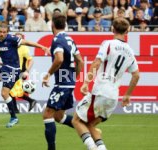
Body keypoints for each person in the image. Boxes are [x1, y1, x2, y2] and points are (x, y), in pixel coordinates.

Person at [72, 18, 140, 150]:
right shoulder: (130, 52)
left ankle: (91, 148)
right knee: (90, 126)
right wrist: (127, 95)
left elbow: (96, 63)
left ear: (112, 29)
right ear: (128, 31)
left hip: (100, 92)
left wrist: (86, 82)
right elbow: (136, 75)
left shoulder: (108, 44)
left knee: (76, 120)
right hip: (113, 96)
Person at [0, 22, 48, 128]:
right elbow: (1, 49)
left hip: (14, 70)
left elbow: (27, 42)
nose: (2, 34)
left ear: (7, 32)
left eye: (4, 32)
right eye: (0, 32)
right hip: (5, 67)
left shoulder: (12, 39)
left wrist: (42, 47)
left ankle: (12, 115)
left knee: (4, 92)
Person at [42, 14, 84, 150]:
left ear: (52, 25)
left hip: (62, 84)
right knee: (59, 116)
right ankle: (86, 129)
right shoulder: (70, 39)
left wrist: (48, 74)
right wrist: (74, 77)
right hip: (69, 82)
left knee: (48, 114)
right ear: (64, 25)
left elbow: (59, 59)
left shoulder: (57, 39)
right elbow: (80, 61)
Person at [9, 32, 37, 113]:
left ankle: (17, 109)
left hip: (20, 72)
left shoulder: (24, 48)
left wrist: (27, 71)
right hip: (12, 70)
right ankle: (17, 109)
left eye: (20, 38)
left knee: (11, 90)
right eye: (16, 38)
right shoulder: (12, 47)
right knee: (12, 91)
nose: (18, 40)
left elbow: (31, 60)